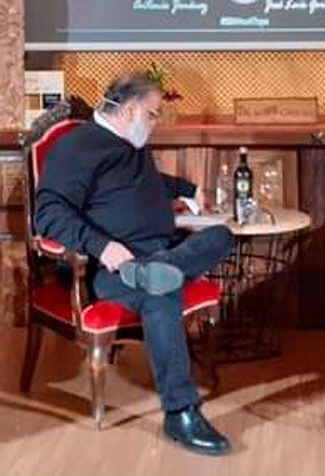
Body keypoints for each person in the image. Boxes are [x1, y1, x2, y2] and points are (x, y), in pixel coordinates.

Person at [34, 71, 234, 456]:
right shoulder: (77, 147)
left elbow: (146, 184)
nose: (157, 121)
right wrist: (103, 246)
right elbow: (49, 213)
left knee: (222, 236)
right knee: (160, 294)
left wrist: (191, 191)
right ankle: (181, 412)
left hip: (159, 252)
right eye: (154, 113)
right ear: (128, 110)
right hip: (114, 269)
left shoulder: (131, 144)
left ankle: (162, 267)